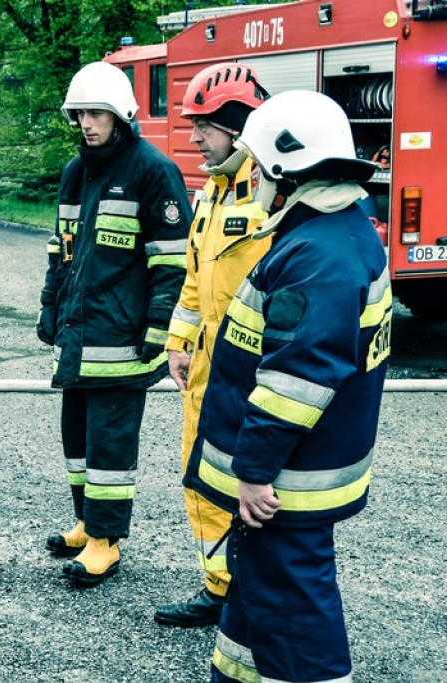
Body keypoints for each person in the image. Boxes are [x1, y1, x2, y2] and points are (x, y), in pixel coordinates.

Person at [183, 90, 390, 681]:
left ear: (285, 166)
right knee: (262, 599)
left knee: (296, 609)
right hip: (294, 475)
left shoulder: (315, 256)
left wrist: (252, 472)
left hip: (283, 485)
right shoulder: (340, 230)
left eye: (256, 164)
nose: (251, 178)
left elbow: (294, 382)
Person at [38, 61, 191, 587]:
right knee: (76, 443)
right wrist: (49, 307)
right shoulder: (75, 173)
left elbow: (172, 262)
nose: (86, 122)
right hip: (79, 339)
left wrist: (156, 330)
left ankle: (107, 542)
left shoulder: (153, 171)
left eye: (96, 113)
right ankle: (85, 524)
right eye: (79, 113)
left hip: (124, 343)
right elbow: (61, 253)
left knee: (110, 450)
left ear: (121, 115)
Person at [154, 63, 271, 628]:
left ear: (237, 125)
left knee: (250, 484)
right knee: (201, 478)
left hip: (251, 372)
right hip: (205, 369)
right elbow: (195, 278)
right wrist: (178, 342)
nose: (195, 137)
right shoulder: (214, 191)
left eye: (204, 126)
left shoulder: (273, 190)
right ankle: (219, 587)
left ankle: (253, 593)